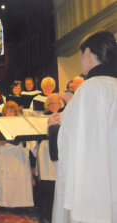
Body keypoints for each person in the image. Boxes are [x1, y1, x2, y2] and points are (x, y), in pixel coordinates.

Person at [49, 30, 117, 223]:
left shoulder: (90, 87)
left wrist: (52, 127)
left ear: (87, 53)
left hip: (93, 188)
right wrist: (74, 106)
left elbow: (71, 141)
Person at [0, 101, 34, 212]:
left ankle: (19, 204)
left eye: (12, 111)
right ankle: (3, 203)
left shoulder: (21, 122)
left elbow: (28, 139)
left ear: (16, 112)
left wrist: (23, 141)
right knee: (4, 178)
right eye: (8, 111)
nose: (10, 113)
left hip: (18, 154)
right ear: (4, 112)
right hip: (4, 153)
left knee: (18, 179)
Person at [33, 93, 64, 220]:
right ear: (48, 105)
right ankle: (46, 210)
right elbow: (35, 136)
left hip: (59, 151)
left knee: (58, 182)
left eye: (56, 103)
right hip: (45, 151)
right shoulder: (41, 117)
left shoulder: (64, 116)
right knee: (46, 183)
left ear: (60, 104)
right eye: (51, 103)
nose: (54, 105)